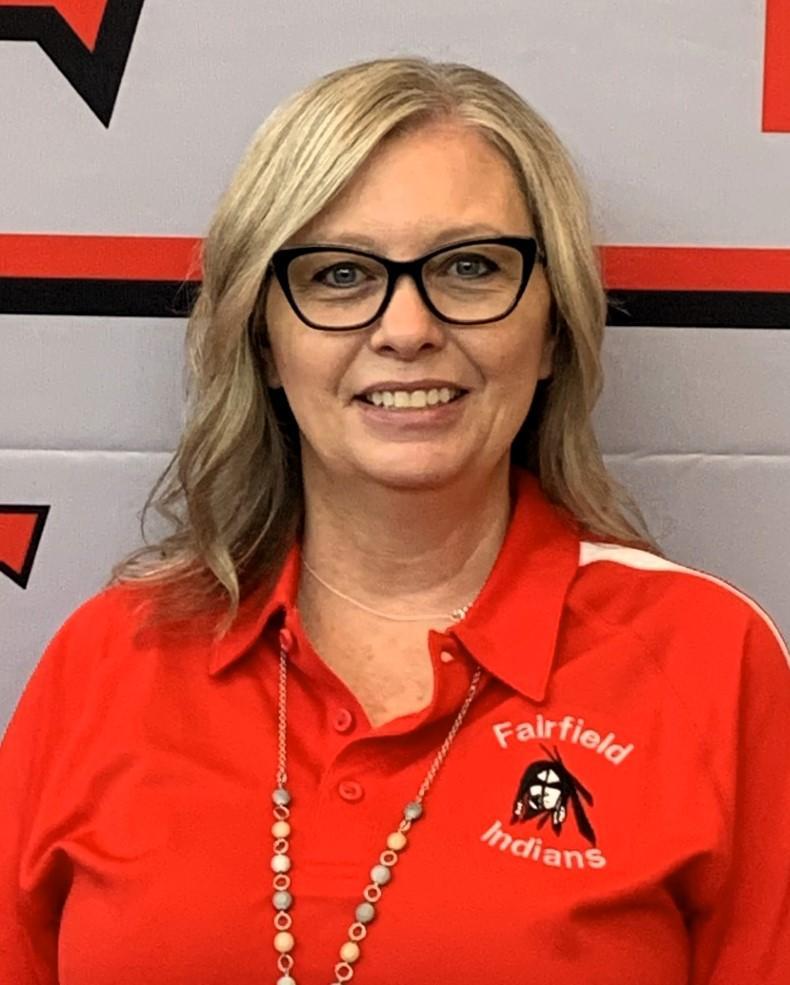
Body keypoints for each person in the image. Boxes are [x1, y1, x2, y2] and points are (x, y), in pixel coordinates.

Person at [1, 55, 788, 985]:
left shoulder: (707, 661)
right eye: (339, 274)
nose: (407, 328)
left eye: (470, 266)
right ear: (265, 340)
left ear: (552, 328)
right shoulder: (109, 662)